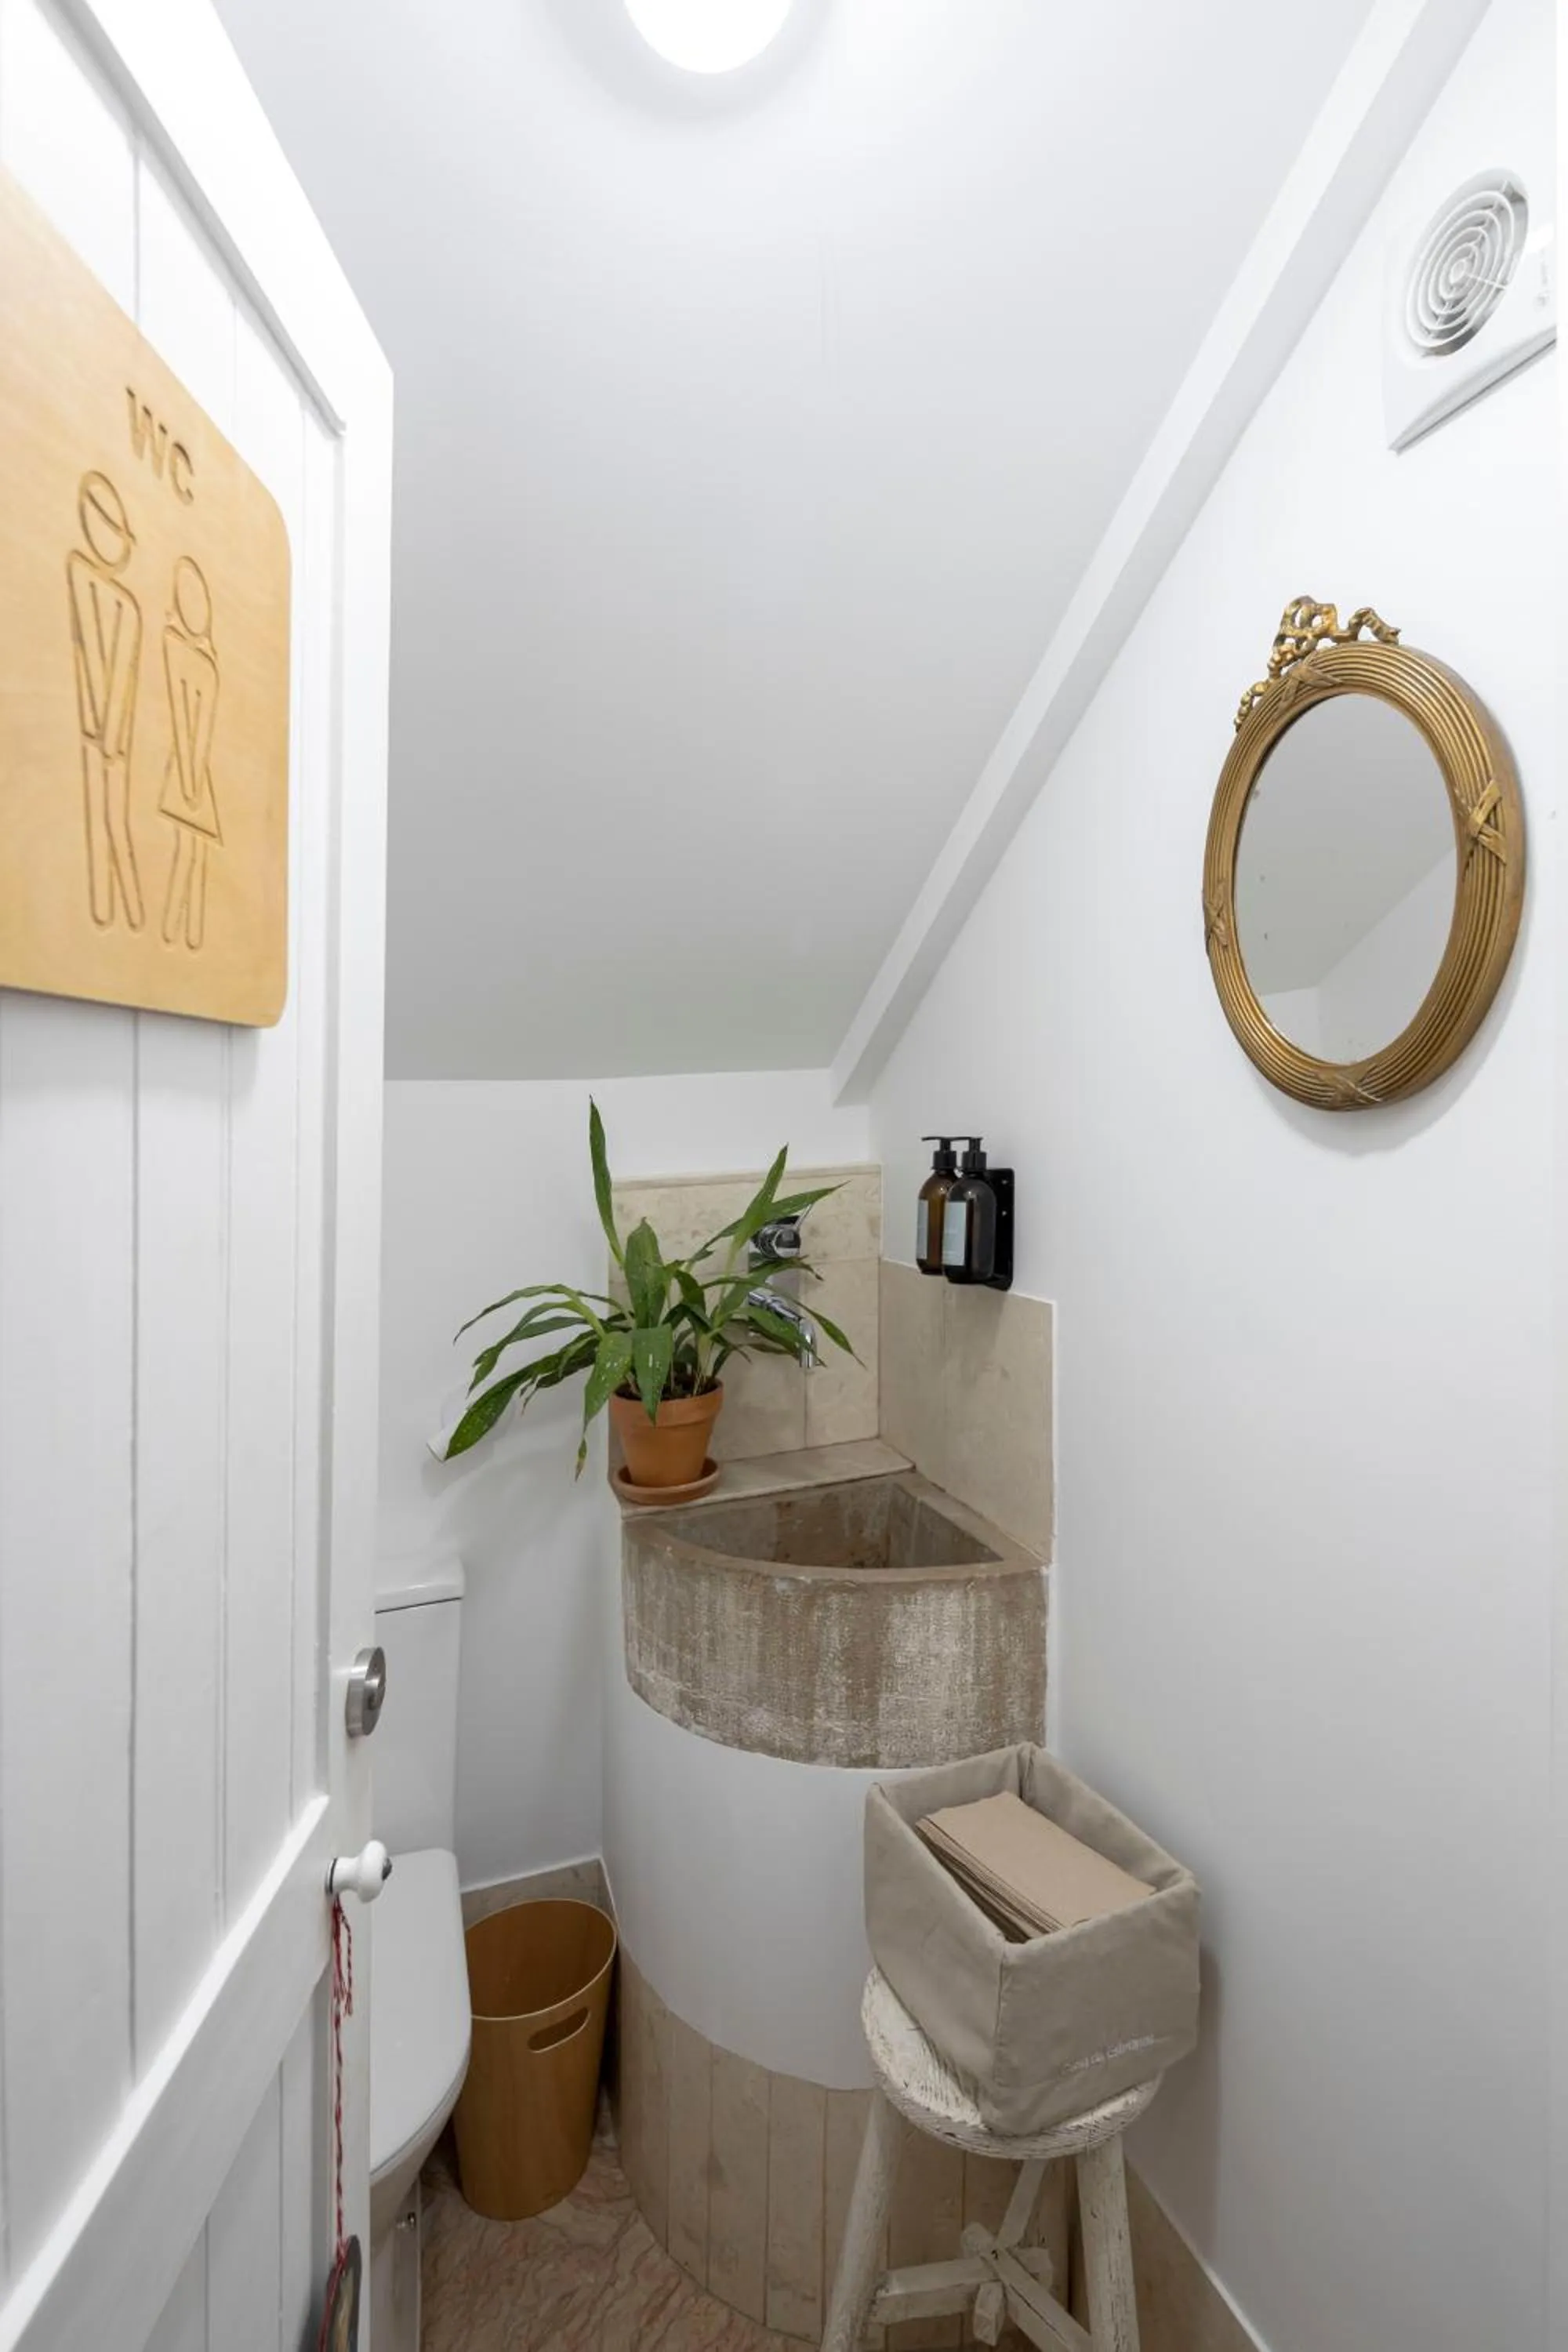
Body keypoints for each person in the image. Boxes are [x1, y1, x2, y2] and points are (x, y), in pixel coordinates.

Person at [67, 470, 145, 930]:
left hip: (116, 732)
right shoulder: (79, 574)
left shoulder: (130, 608)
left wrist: (111, 733)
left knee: (116, 814)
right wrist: (98, 729)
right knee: (99, 815)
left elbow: (124, 670)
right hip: (94, 725)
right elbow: (88, 654)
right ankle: (105, 904)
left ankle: (127, 907)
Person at [159, 556, 222, 952]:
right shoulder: (178, 651)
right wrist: (188, 779)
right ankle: (176, 928)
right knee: (188, 845)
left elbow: (197, 724)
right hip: (188, 769)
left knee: (193, 847)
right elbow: (182, 719)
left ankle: (185, 929)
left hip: (194, 771)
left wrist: (191, 781)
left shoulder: (199, 661)